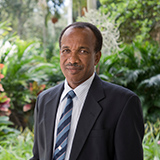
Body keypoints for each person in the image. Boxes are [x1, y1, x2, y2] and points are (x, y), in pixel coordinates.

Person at [30, 22, 144, 160]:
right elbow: (38, 156)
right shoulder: (44, 99)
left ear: (97, 57)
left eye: (82, 51)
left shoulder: (123, 103)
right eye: (66, 50)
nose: (72, 60)